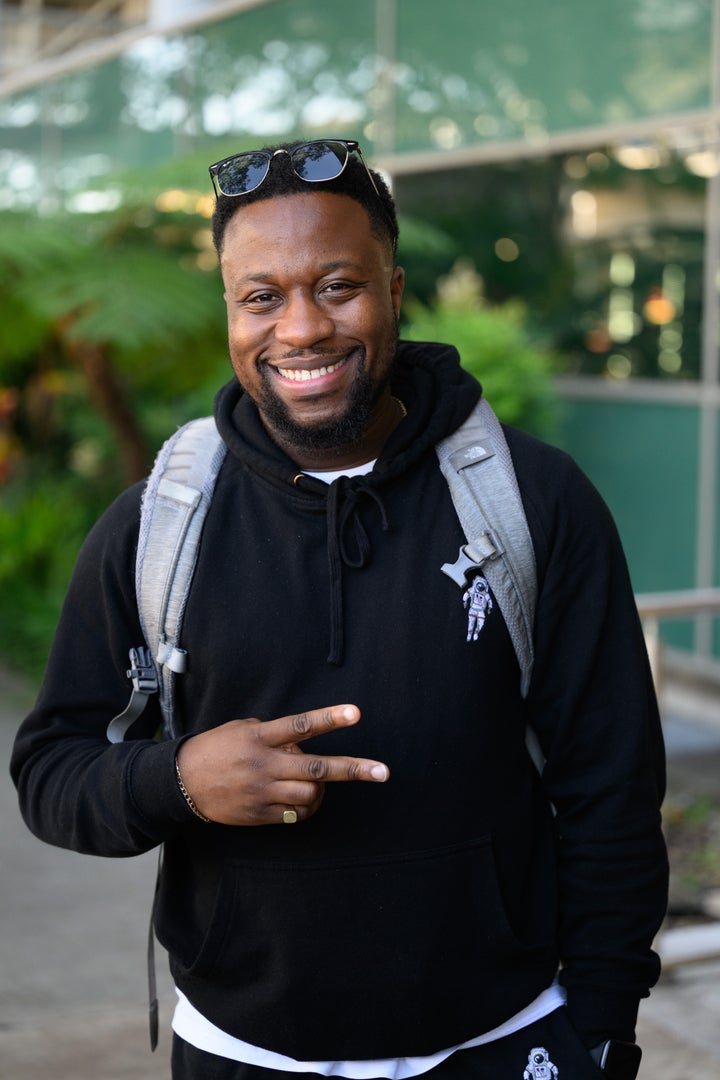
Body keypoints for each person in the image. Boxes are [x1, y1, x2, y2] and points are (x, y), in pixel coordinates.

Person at [11, 138, 668, 1080]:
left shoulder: (533, 500)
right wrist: (182, 783)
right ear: (232, 313)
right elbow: (50, 774)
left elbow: (610, 786)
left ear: (394, 291)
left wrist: (600, 1029)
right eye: (262, 296)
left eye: (337, 285)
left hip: (498, 1038)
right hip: (240, 1049)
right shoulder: (159, 521)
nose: (303, 329)